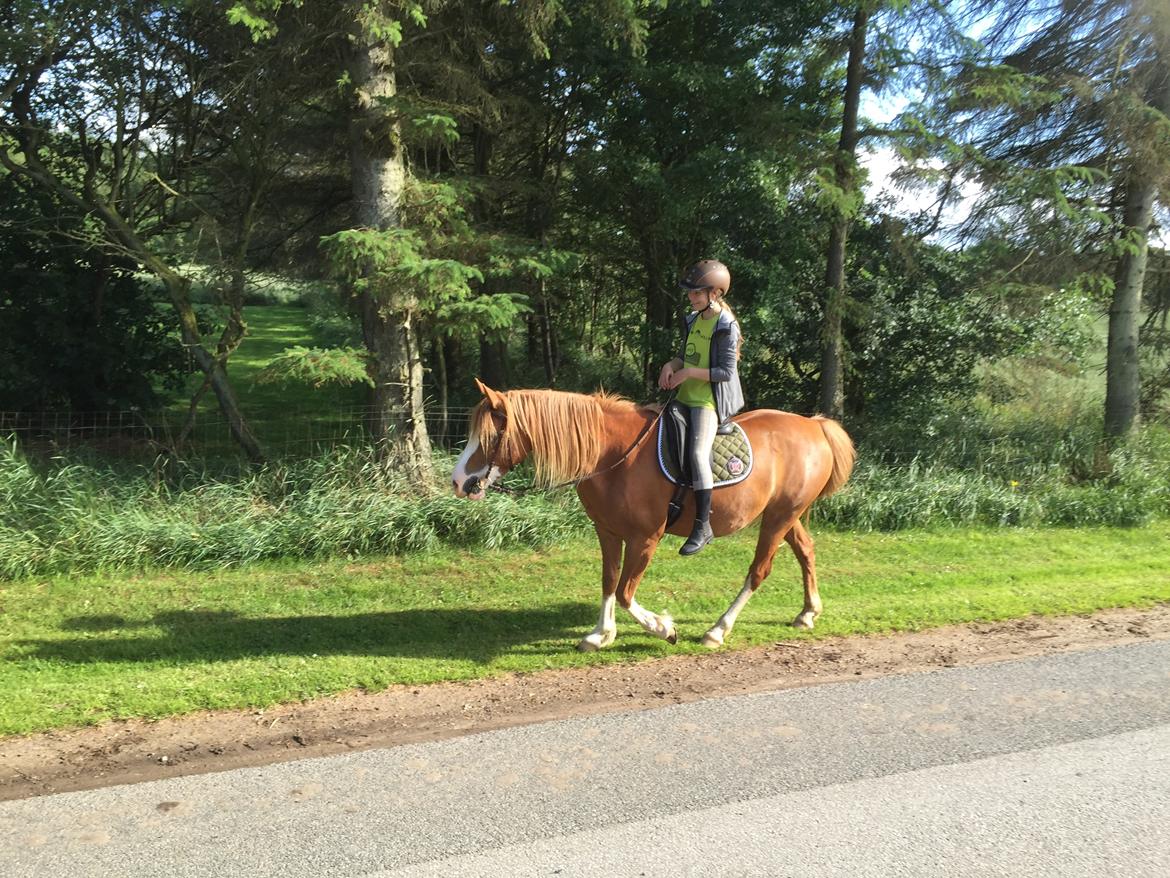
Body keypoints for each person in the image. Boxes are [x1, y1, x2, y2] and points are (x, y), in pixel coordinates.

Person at [657, 259, 745, 556]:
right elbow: (685, 356)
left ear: (715, 294)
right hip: (683, 397)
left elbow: (725, 373)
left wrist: (689, 373)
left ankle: (702, 525)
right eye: (691, 293)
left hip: (707, 402)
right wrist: (671, 365)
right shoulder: (693, 319)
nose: (691, 298)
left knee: (697, 453)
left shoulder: (726, 327)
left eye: (697, 293)